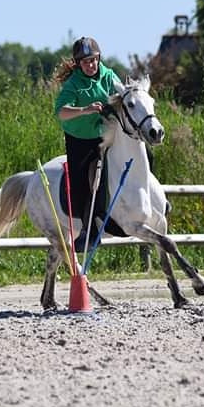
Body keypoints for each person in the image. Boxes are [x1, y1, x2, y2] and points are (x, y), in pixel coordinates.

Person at [53, 36, 121, 252]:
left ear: (99, 58)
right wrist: (85, 110)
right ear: (78, 64)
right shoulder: (73, 84)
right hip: (80, 139)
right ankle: (87, 229)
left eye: (93, 60)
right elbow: (61, 112)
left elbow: (122, 96)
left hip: (105, 135)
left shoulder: (109, 76)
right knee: (82, 180)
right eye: (85, 62)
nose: (90, 65)